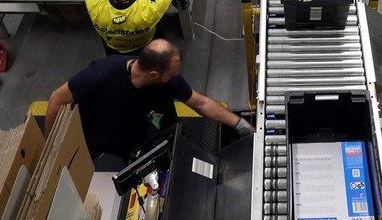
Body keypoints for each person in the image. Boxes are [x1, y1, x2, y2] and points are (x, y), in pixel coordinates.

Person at [46, 39, 254, 162]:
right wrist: (52, 147)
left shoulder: (167, 80)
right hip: (111, 146)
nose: (176, 76)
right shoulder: (100, 74)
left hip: (155, 135)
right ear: (154, 74)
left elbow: (200, 103)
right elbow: (56, 98)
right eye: (172, 73)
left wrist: (240, 124)